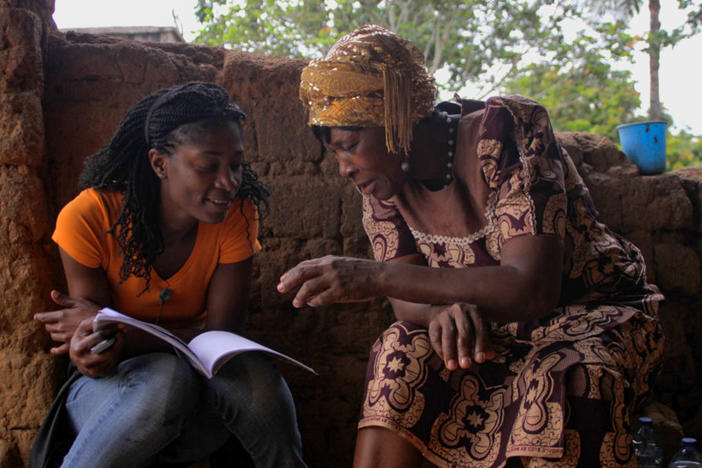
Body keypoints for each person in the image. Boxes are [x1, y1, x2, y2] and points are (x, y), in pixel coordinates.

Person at [278, 25, 664, 467]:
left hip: (586, 315)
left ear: (397, 121)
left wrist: (375, 276)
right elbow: (407, 305)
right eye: (336, 155)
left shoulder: (506, 134)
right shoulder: (384, 186)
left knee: (571, 379)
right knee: (401, 348)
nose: (345, 168)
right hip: (488, 330)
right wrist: (441, 310)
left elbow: (531, 289)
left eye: (349, 146)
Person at [32, 82, 307, 468]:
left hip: (199, 395)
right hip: (111, 394)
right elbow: (101, 348)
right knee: (164, 381)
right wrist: (96, 343)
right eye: (208, 166)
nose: (228, 182)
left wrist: (124, 332)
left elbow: (222, 339)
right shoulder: (90, 217)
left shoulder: (237, 215)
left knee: (256, 377)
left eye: (236, 165)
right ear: (160, 163)